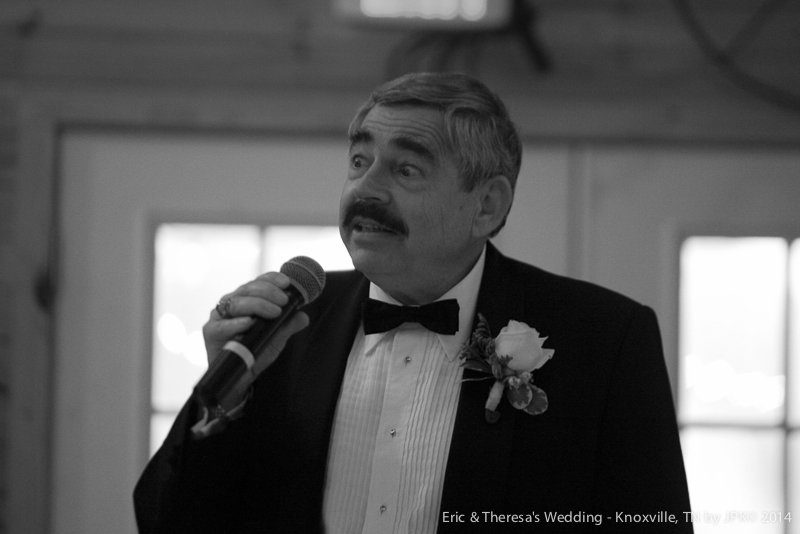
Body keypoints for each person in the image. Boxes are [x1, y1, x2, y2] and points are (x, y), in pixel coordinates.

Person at [134, 72, 693, 533]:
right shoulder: (287, 323)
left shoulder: (604, 339)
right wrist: (224, 398)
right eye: (359, 161)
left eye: (406, 169)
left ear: (486, 206)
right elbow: (164, 521)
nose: (365, 189)